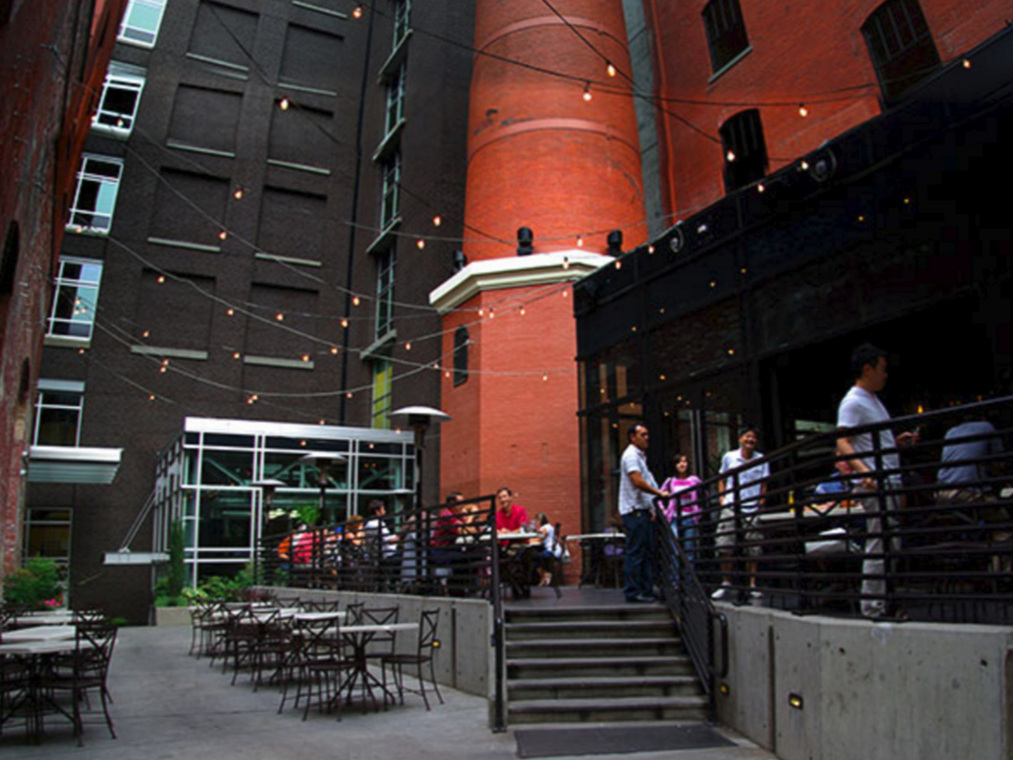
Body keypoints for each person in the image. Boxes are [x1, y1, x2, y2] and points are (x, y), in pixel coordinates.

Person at [836, 343, 917, 619]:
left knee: (889, 542)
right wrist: (865, 473)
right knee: (880, 542)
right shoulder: (853, 401)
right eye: (882, 369)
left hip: (887, 479)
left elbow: (866, 440)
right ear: (867, 369)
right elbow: (842, 442)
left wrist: (894, 442)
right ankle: (873, 605)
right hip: (877, 483)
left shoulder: (872, 400)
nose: (885, 374)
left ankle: (883, 602)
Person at [712, 425, 770, 600]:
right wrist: (722, 499)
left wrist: (761, 501)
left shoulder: (761, 459)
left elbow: (764, 483)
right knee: (724, 544)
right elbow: (721, 478)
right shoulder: (729, 457)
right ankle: (726, 583)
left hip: (752, 507)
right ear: (740, 439)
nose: (750, 440)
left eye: (753, 437)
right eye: (747, 436)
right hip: (731, 505)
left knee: (754, 546)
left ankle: (752, 584)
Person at [618, 423, 670, 603]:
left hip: (642, 510)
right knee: (637, 552)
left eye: (647, 434)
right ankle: (633, 592)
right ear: (632, 437)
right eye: (643, 435)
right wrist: (659, 494)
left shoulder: (640, 456)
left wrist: (651, 508)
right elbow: (637, 481)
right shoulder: (631, 456)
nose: (647, 438)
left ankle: (646, 590)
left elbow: (643, 483)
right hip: (634, 511)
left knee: (646, 552)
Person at [660, 453, 703, 565]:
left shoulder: (694, 480)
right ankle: (675, 575)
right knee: (675, 549)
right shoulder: (670, 481)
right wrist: (664, 510)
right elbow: (659, 496)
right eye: (679, 462)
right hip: (674, 517)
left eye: (684, 461)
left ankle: (689, 575)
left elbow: (703, 493)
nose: (682, 464)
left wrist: (699, 510)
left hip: (690, 517)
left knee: (689, 549)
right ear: (675, 465)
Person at [534, 513, 562, 586]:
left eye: (537, 520)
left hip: (551, 551)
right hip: (555, 550)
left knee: (535, 557)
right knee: (537, 555)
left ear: (540, 520)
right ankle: (545, 575)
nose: (536, 522)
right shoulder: (549, 526)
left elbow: (541, 537)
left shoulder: (545, 527)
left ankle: (545, 575)